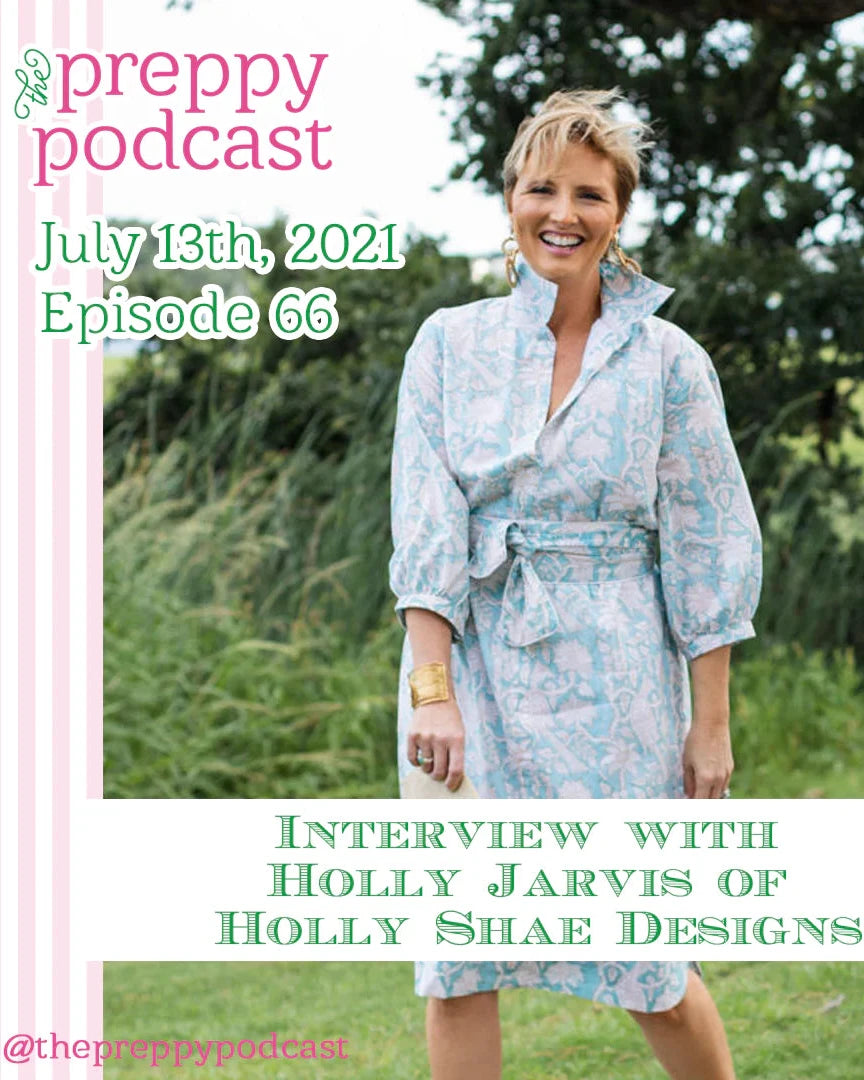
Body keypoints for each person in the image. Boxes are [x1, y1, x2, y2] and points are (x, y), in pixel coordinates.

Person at [388, 88, 762, 1080]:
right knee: (460, 953)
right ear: (510, 198)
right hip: (465, 670)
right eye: (541, 187)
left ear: (618, 214)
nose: (563, 211)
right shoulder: (447, 345)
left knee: (640, 948)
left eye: (588, 193)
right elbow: (427, 523)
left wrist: (710, 724)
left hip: (618, 677)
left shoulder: (670, 363)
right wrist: (436, 691)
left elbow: (705, 539)